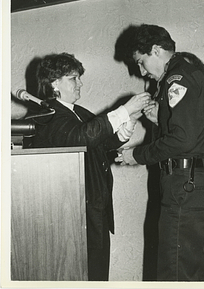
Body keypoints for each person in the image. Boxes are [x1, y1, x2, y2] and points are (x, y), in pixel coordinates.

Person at [23, 52, 151, 281]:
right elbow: (82, 136)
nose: (80, 83)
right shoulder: (47, 114)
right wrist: (123, 110)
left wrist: (129, 119)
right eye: (73, 78)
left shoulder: (77, 112)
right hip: (72, 216)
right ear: (54, 83)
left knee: (97, 274)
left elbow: (104, 140)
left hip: (93, 211)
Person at [115, 24, 204, 281]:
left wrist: (136, 155)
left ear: (155, 50)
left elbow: (183, 140)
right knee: (198, 267)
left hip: (184, 182)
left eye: (141, 62)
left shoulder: (178, 79)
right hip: (194, 181)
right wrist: (161, 121)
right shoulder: (186, 75)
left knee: (175, 269)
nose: (141, 71)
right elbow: (192, 132)